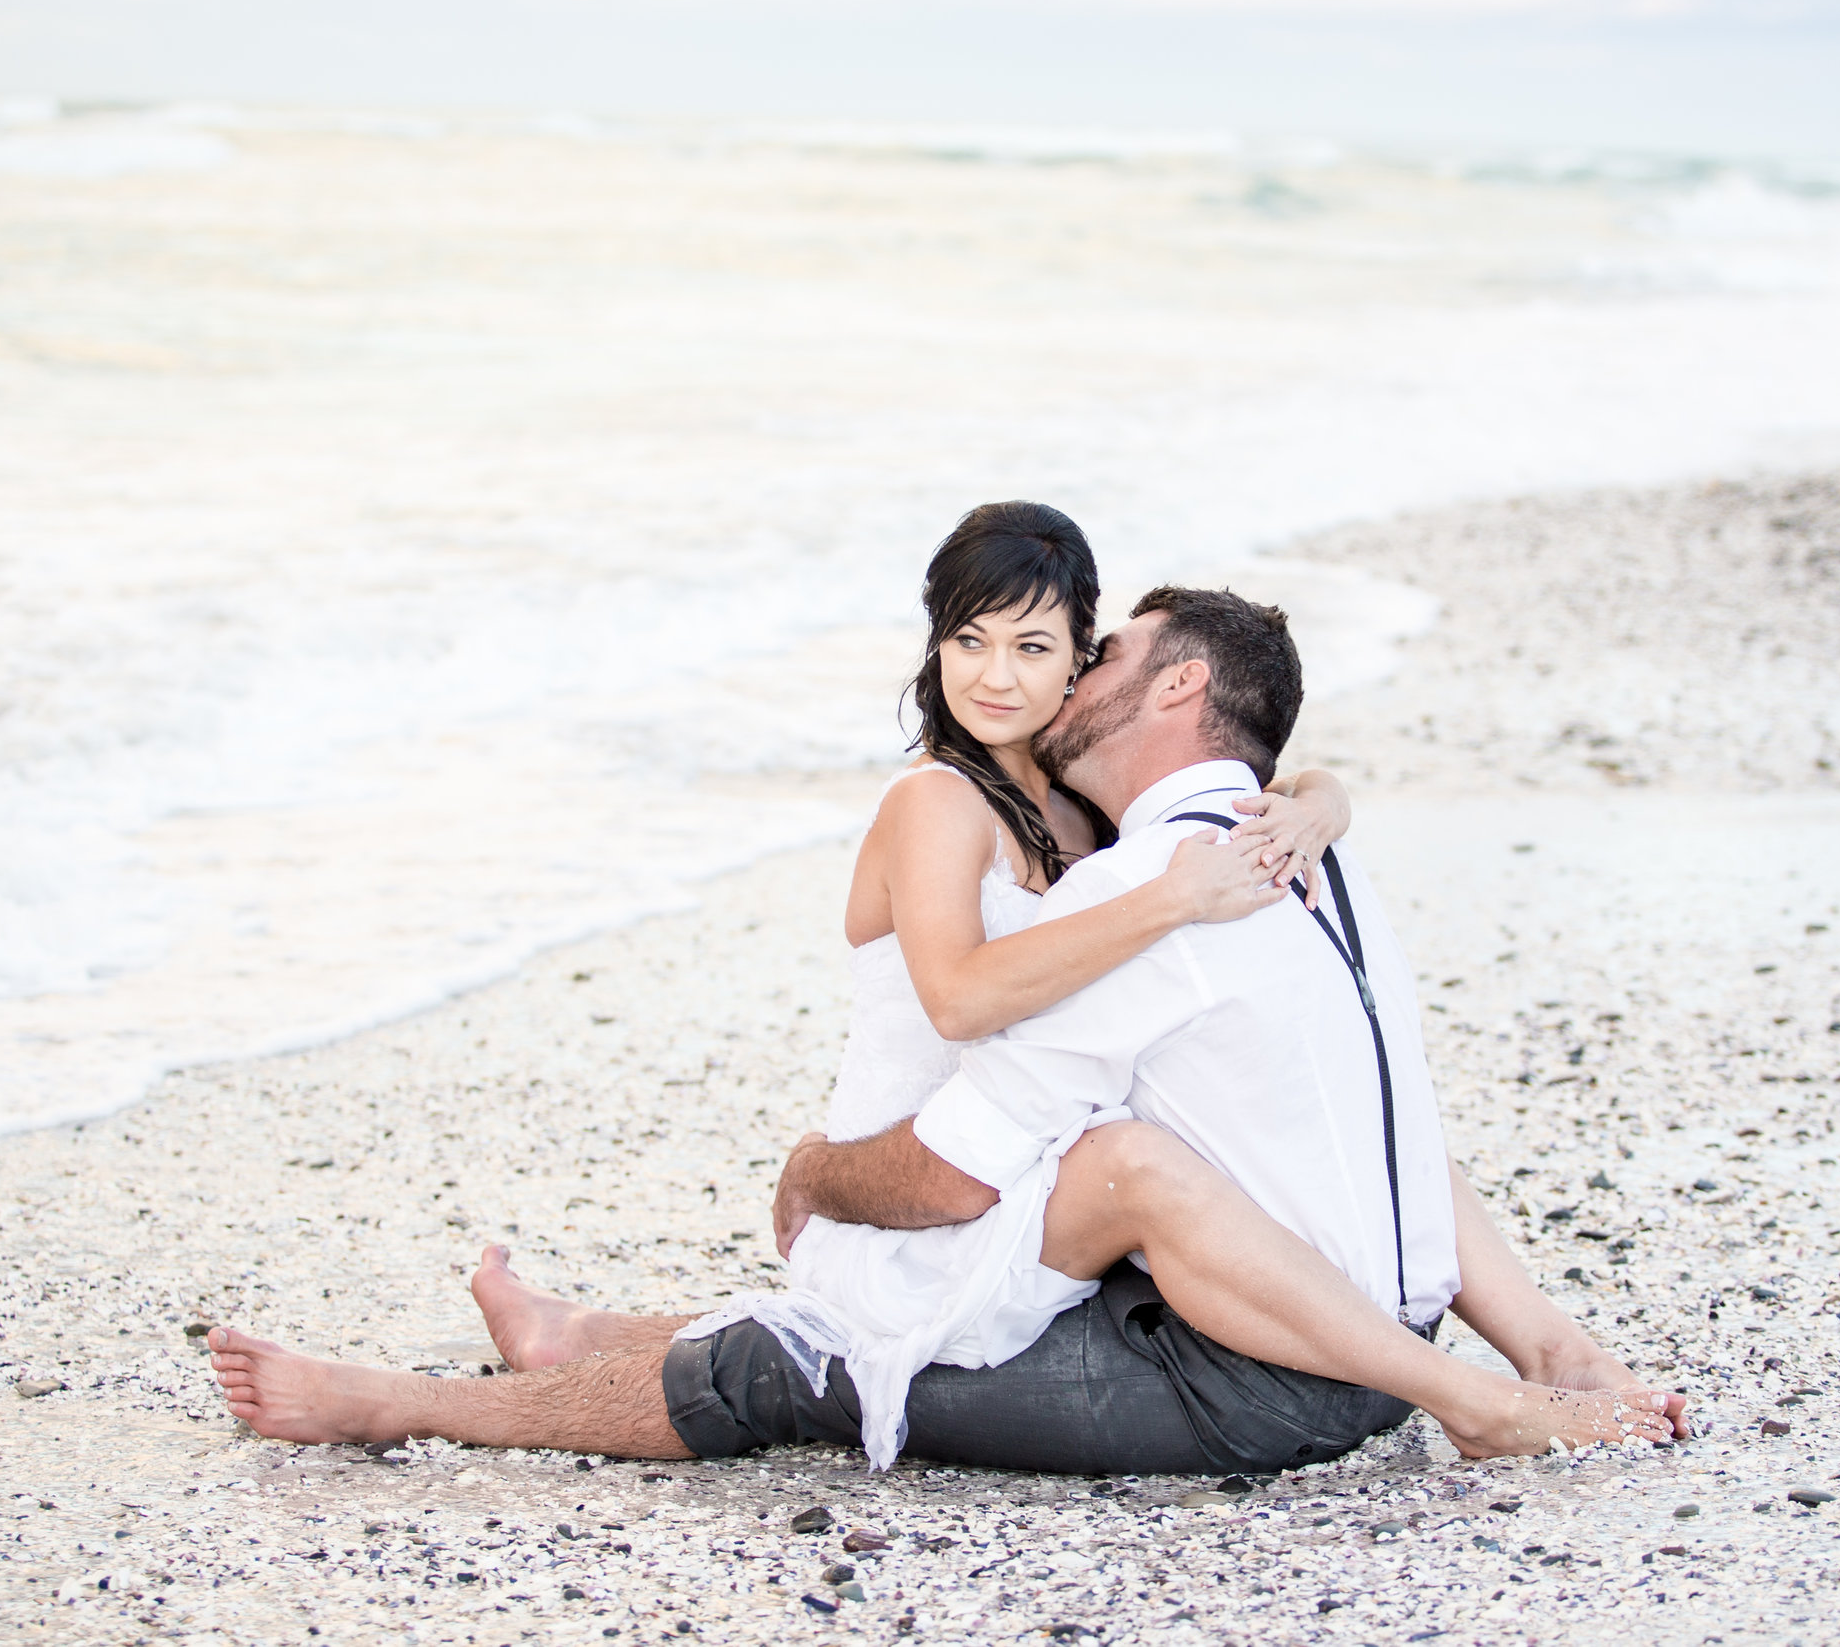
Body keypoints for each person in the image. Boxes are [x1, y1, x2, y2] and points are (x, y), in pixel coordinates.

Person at [208, 556, 1687, 1472]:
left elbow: (949, 1170)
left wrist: (813, 1172)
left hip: (1277, 1386)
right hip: (1376, 1308)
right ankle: (581, 1329)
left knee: (802, 1367)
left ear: (1175, 685)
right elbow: (1382, 1127)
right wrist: (1540, 1335)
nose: (1061, 672)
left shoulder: (1173, 897)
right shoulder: (1298, 849)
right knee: (967, 1273)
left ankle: (396, 1406)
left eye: (1095, 653)